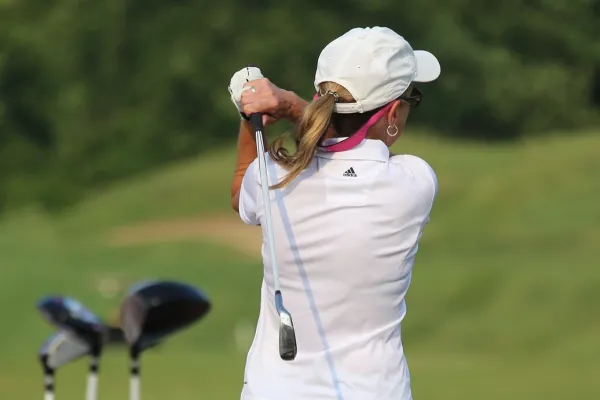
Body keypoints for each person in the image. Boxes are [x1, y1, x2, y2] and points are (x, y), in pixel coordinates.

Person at [229, 26, 440, 400]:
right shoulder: (414, 182)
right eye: (412, 99)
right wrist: (294, 107)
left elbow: (242, 187)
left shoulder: (276, 178)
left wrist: (253, 119)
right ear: (393, 112)